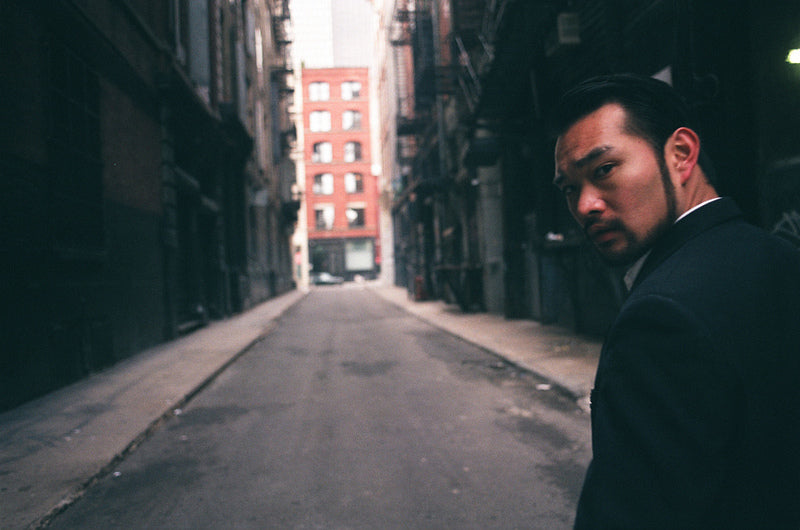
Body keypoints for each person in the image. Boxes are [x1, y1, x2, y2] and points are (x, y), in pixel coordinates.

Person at [552, 73, 800, 529]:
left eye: (603, 170)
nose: (585, 204)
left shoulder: (661, 317)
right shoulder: (780, 257)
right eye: (570, 188)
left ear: (680, 155)